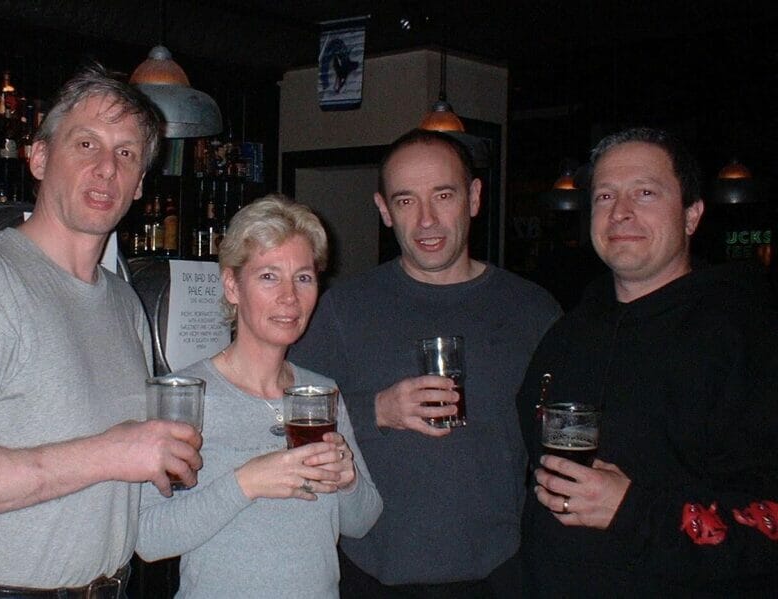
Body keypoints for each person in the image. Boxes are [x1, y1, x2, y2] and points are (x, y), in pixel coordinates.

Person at [0, 62, 204, 597]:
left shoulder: (122, 301)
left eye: (126, 154)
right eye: (86, 145)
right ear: (39, 158)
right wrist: (111, 453)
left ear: (139, 187)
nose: (107, 168)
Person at [289, 128, 561, 597]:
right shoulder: (342, 309)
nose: (427, 221)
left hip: (499, 573)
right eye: (407, 201)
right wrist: (378, 410)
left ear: (474, 197)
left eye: (443, 195)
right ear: (383, 210)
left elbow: (559, 434)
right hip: (370, 575)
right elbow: (281, 414)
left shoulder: (533, 311)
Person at [516, 127, 778, 597]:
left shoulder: (751, 337)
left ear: (692, 215)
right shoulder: (566, 334)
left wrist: (632, 511)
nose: (620, 212)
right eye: (605, 195)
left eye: (645, 192)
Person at [136, 195, 383, 598]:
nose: (290, 296)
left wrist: (348, 479)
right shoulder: (185, 396)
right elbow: (148, 538)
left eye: (303, 277)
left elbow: (363, 522)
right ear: (232, 286)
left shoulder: (321, 393)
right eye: (269, 276)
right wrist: (248, 482)